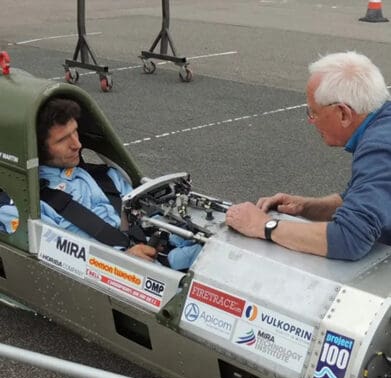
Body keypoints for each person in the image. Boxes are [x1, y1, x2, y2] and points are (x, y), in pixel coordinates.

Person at [226, 51, 391, 261]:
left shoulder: (381, 148)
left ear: (343, 113)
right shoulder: (383, 123)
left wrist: (263, 226)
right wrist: (307, 207)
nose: (311, 121)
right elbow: (363, 199)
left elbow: (349, 238)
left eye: (313, 113)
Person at [0, 98, 201, 270]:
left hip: (155, 253)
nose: (77, 144)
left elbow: (143, 215)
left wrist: (174, 231)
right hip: (113, 275)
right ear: (38, 149)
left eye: (75, 132)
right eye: (63, 140)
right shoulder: (26, 205)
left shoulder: (107, 176)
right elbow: (51, 256)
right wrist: (122, 261)